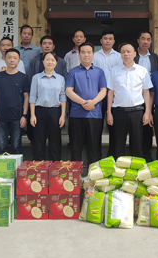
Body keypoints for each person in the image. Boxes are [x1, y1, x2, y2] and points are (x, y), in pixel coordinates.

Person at [106, 43, 152, 159]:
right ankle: (119, 168)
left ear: (134, 54)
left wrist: (147, 112)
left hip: (137, 111)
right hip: (118, 111)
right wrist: (109, 112)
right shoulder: (114, 71)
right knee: (118, 144)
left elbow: (146, 92)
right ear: (120, 55)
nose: (126, 54)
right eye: (123, 52)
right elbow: (110, 92)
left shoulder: (142, 71)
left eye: (128, 51)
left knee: (137, 143)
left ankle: (137, 168)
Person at [65, 42, 107, 163]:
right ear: (79, 54)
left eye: (89, 52)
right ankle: (76, 173)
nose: (86, 55)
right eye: (83, 52)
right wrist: (84, 102)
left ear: (93, 54)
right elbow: (68, 91)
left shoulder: (99, 72)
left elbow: (103, 90)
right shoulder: (73, 72)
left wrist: (93, 102)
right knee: (76, 147)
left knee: (94, 147)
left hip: (95, 114)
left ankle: (93, 174)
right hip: (76, 114)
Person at [0, 48, 30, 155]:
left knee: (16, 147)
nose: (12, 60)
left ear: (18, 61)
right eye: (9, 57)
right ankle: (2, 165)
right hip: (0, 117)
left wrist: (24, 116)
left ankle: (16, 165)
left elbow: (26, 97)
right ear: (5, 60)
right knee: (1, 147)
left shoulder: (23, 77)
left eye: (15, 58)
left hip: (17, 117)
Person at [29, 52, 66, 161]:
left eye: (52, 60)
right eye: (47, 59)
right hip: (40, 111)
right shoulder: (36, 78)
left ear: (56, 62)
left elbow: (63, 98)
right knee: (39, 140)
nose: (50, 62)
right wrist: (32, 115)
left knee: (55, 140)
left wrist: (63, 115)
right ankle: (39, 165)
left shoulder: (60, 79)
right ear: (43, 61)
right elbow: (32, 96)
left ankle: (55, 164)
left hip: (55, 111)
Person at [92, 29, 122, 157]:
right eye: (105, 38)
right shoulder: (94, 56)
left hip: (113, 95)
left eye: (110, 39)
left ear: (114, 41)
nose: (107, 41)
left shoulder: (119, 56)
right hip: (97, 94)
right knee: (96, 126)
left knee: (113, 126)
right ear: (101, 41)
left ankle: (112, 153)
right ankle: (96, 154)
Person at [134, 30, 158, 162]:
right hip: (134, 96)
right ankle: (136, 152)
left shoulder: (154, 57)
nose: (146, 42)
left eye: (148, 39)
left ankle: (147, 153)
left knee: (148, 124)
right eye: (143, 39)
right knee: (136, 125)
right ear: (138, 40)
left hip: (150, 95)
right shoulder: (133, 56)